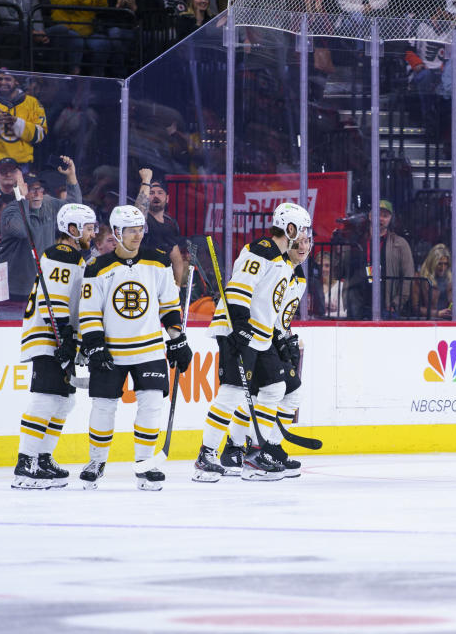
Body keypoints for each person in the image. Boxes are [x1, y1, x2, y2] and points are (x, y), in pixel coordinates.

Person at [193, 203, 311, 482]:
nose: (305, 237)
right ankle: (206, 455)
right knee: (232, 392)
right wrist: (240, 326)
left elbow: (269, 304)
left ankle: (257, 453)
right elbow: (239, 288)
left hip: (260, 336)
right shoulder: (262, 250)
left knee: (274, 388)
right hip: (238, 331)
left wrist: (279, 338)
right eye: (302, 230)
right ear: (290, 228)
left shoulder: (283, 261)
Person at [76, 205, 190, 491]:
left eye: (140, 229)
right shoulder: (97, 268)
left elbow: (169, 305)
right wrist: (95, 347)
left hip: (149, 350)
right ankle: (96, 461)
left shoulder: (159, 262)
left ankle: (144, 464)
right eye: (131, 230)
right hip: (111, 352)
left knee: (151, 405)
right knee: (103, 407)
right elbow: (89, 313)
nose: (138, 235)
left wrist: (177, 339)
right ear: (116, 232)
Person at [11, 203, 95, 488]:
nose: (93, 233)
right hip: (49, 337)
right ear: (72, 230)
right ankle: (26, 464)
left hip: (58, 338)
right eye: (88, 227)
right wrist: (66, 339)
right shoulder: (63, 254)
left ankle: (43, 458)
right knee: (46, 398)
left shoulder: (74, 257)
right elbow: (55, 301)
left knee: (64, 401)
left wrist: (74, 342)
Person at [0, 160, 82, 304]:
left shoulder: (48, 204)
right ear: (23, 189)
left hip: (43, 287)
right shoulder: (11, 210)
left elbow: (73, 208)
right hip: (14, 291)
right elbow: (21, 231)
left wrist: (71, 177)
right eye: (32, 189)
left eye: (40, 188)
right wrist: (22, 199)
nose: (38, 193)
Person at [0, 71, 47, 189]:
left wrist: (16, 122)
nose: (2, 82)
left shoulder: (33, 103)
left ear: (16, 81)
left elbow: (39, 135)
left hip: (20, 163)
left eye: (7, 79)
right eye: (0, 79)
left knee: (19, 201)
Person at [135, 170, 185, 286]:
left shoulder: (170, 225)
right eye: (151, 192)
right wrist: (146, 181)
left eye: (160, 192)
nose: (156, 196)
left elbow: (177, 260)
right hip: (141, 279)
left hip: (161, 281)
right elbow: (138, 214)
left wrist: (176, 287)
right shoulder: (143, 220)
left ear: (167, 198)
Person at [413, 243, 452, 320]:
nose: (443, 268)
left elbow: (455, 302)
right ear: (432, 263)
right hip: (427, 321)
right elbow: (415, 308)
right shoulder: (420, 279)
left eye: (445, 264)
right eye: (439, 264)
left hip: (448, 320)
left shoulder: (452, 280)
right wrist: (437, 314)